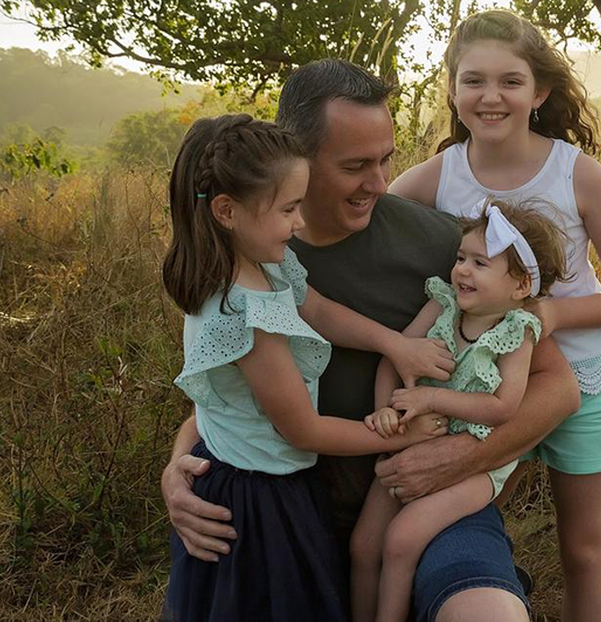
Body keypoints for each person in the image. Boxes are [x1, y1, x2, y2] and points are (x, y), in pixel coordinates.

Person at [161, 59, 582, 622]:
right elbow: (224, 393)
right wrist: (178, 469)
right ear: (297, 163)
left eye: (386, 159)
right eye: (356, 165)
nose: (381, 184)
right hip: (289, 516)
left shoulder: (446, 246)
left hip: (428, 498)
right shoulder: (248, 259)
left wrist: (457, 456)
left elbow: (558, 386)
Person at [389, 10, 601, 621]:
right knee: (473, 517)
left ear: (538, 92)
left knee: (584, 547)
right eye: (473, 80)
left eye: (510, 81)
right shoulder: (441, 173)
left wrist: (551, 315)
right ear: (453, 90)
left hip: (582, 381)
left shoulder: (576, 173)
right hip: (477, 387)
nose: (491, 96)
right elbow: (368, 214)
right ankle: (485, 593)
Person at [161, 113, 455, 621]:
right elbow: (303, 429)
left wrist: (395, 345)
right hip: (259, 502)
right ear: (227, 211)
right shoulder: (248, 315)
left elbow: (315, 308)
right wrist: (403, 438)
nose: (298, 223)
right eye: (289, 208)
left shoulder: (265, 266)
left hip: (263, 478)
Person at [351, 200, 570, 622]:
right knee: (364, 547)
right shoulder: (443, 304)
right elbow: (393, 360)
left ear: (521, 286)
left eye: (479, 263)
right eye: (460, 258)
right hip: (408, 444)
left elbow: (503, 407)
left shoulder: (516, 332)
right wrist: (386, 415)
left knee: (400, 540)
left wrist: (431, 399)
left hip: (475, 467)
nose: (462, 270)